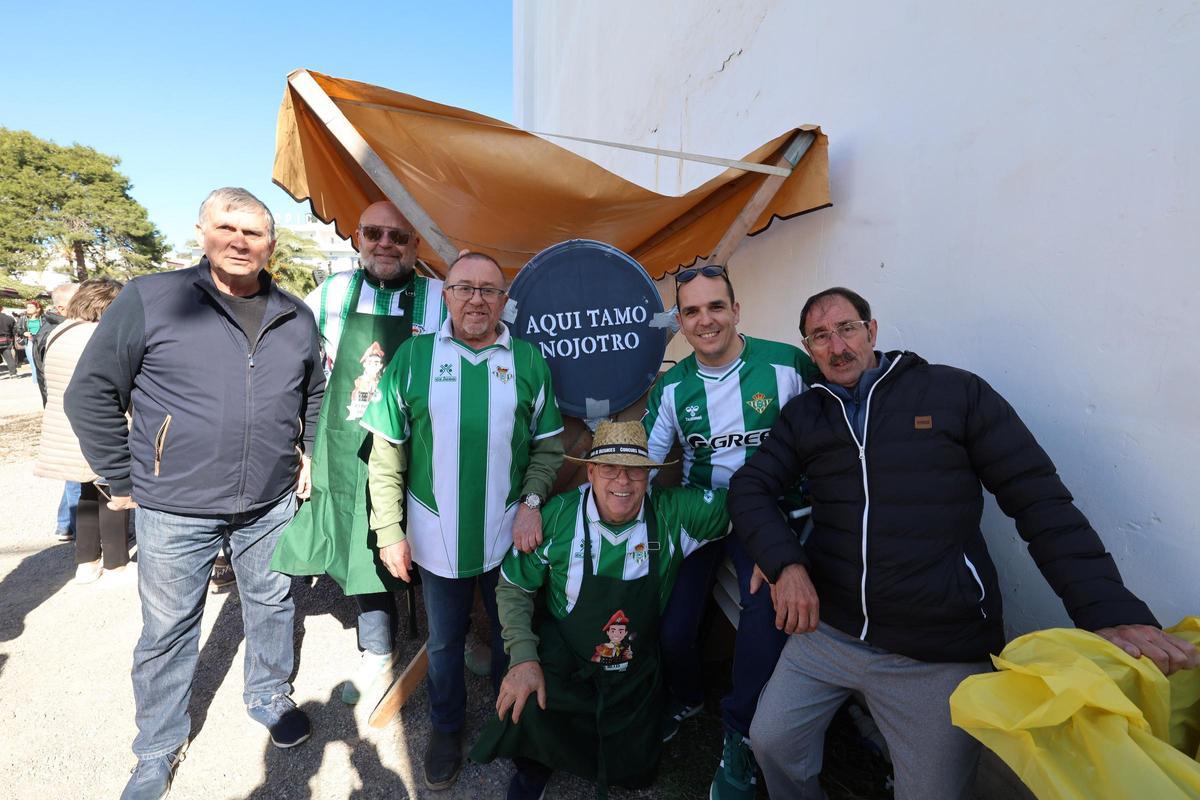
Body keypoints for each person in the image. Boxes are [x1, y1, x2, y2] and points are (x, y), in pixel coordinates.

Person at [727, 286, 1200, 800]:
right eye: (820, 337)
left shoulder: (953, 394)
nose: (837, 347)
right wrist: (785, 563)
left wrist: (1107, 608)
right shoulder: (806, 415)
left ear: (873, 330)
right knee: (770, 742)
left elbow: (1039, 501)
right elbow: (750, 487)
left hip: (938, 649)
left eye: (846, 329)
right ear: (808, 348)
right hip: (831, 632)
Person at [64, 187, 326, 800]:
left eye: (254, 233)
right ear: (202, 232)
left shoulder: (295, 314)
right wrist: (122, 478)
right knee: (169, 627)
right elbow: (91, 393)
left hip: (268, 499)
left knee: (271, 602)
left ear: (272, 245)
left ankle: (267, 694)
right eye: (227, 227)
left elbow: (313, 392)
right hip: (174, 504)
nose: (239, 241)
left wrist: (308, 447)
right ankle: (157, 747)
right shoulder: (152, 299)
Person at [361, 251, 564, 790]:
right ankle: (447, 729)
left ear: (504, 301)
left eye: (490, 290)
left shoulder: (529, 361)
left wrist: (532, 502)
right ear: (446, 294)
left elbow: (548, 450)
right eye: (465, 288)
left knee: (509, 635)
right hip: (435, 537)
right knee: (446, 643)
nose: (477, 299)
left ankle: (510, 724)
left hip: (508, 535)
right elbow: (386, 454)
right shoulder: (413, 358)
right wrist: (389, 531)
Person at [470, 420, 732, 799]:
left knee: (638, 772)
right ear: (591, 471)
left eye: (634, 470)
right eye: (610, 468)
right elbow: (513, 586)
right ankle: (533, 769)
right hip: (568, 658)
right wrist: (523, 658)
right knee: (527, 700)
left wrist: (771, 556)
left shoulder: (675, 514)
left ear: (648, 475)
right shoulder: (559, 517)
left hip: (633, 666)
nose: (622, 482)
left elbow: (745, 505)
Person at [641, 263, 819, 799]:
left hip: (771, 516)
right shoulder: (672, 387)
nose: (706, 319)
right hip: (702, 513)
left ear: (736, 310)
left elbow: (826, 436)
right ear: (680, 322)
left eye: (716, 306)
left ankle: (740, 734)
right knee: (672, 627)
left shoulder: (787, 365)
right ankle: (688, 696)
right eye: (692, 311)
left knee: (763, 618)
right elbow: (645, 462)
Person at [272, 200, 444, 706]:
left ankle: (451, 638)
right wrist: (303, 449)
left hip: (420, 442)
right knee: (359, 538)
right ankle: (376, 648)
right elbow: (297, 369)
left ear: (416, 245)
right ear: (358, 238)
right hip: (346, 444)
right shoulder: (331, 292)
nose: (385, 244)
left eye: (399, 236)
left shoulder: (437, 297)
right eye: (374, 233)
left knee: (434, 531)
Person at [34, 280, 130, 581]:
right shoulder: (98, 336)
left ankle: (86, 561)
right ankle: (116, 561)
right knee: (113, 489)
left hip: (64, 424)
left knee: (87, 490)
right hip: (97, 422)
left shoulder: (58, 332)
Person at [33, 282, 81, 542]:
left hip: (62, 407)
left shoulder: (56, 328)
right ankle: (77, 528)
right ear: (62, 306)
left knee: (73, 472)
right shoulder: (57, 331)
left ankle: (65, 524)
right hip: (65, 409)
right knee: (76, 473)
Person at [19, 299, 44, 385]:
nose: (28, 309)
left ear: (38, 309)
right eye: (27, 307)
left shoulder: (43, 318)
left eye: (31, 307)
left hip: (41, 341)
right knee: (33, 361)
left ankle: (43, 380)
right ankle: (36, 382)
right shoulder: (23, 318)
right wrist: (24, 333)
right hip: (29, 342)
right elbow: (17, 329)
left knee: (42, 361)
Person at [0, 307, 17, 378]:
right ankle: (13, 373)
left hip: (6, 339)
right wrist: (13, 341)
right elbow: (14, 331)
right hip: (6, 340)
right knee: (9, 357)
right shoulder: (9, 318)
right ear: (1, 308)